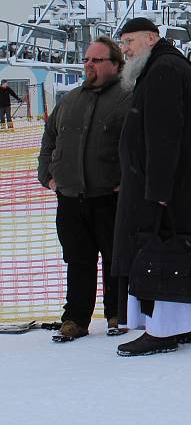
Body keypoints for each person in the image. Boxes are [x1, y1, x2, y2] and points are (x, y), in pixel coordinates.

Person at [111, 17, 191, 356]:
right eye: (123, 42)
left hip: (166, 191)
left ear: (151, 38)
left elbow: (165, 137)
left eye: (130, 41)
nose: (125, 49)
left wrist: (159, 192)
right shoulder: (164, 67)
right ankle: (181, 325)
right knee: (176, 252)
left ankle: (164, 330)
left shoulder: (164, 70)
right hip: (170, 187)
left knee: (164, 254)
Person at [37, 36, 131, 342]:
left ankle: (117, 314)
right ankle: (75, 319)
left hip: (110, 198)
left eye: (96, 60)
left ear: (115, 65)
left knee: (116, 259)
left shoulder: (128, 98)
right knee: (77, 260)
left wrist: (129, 179)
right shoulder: (70, 100)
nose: (88, 64)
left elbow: (141, 144)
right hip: (70, 197)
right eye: (86, 59)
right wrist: (47, 175)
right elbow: (49, 139)